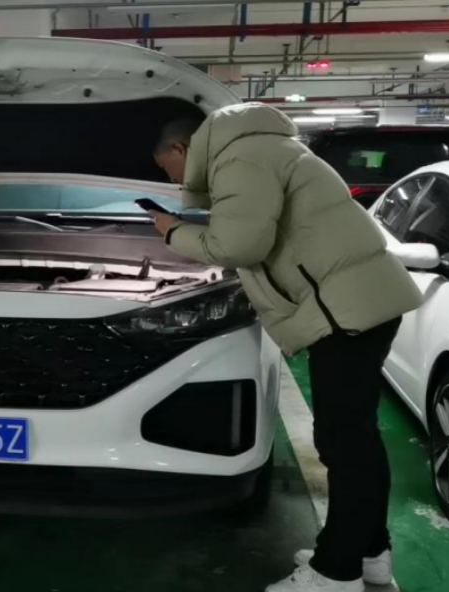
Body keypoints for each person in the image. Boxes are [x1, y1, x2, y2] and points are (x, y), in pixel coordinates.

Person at [149, 105, 423, 592]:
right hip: (358, 302)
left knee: (343, 444)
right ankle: (369, 552)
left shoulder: (240, 156)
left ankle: (336, 572)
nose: (170, 177)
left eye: (165, 166)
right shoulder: (262, 146)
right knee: (356, 439)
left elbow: (239, 245)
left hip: (345, 310)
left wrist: (173, 231)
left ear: (179, 148)